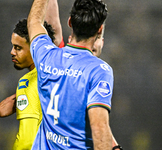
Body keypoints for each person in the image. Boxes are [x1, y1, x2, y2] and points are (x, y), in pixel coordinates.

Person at [27, 0, 116, 149]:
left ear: (70, 22)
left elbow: (34, 22)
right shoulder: (99, 70)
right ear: (99, 30)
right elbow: (99, 129)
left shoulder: (46, 56)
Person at [11, 0, 64, 149]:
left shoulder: (27, 82)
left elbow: (26, 141)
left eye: (18, 48)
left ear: (34, 47)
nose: (12, 52)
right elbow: (54, 29)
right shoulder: (62, 69)